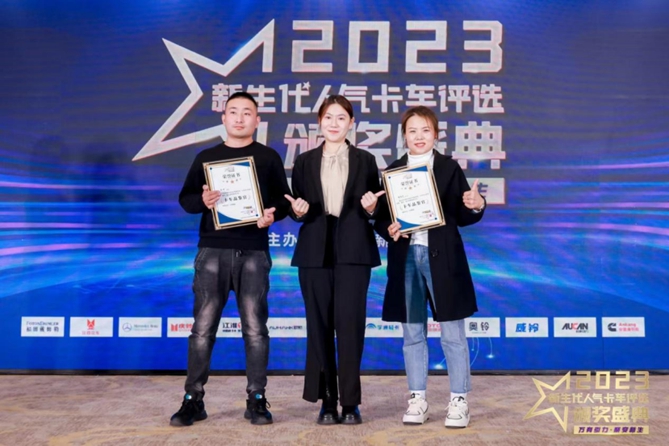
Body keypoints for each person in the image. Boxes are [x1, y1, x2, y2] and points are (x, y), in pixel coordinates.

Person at [170, 91, 291, 427]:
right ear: (223, 118)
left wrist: (272, 215)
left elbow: (284, 201)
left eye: (247, 112)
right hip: (213, 250)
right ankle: (193, 399)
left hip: (254, 250)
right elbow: (186, 200)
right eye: (233, 112)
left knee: (255, 329)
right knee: (202, 329)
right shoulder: (207, 158)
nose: (240, 118)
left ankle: (256, 398)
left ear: (257, 120)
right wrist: (204, 200)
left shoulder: (267, 157)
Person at [375, 105, 485, 428]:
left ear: (435, 134)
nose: (419, 136)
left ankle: (459, 400)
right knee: (412, 334)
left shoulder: (449, 168)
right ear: (404, 136)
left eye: (425, 130)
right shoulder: (393, 171)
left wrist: (476, 205)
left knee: (452, 333)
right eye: (412, 131)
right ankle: (417, 399)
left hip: (443, 258)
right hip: (407, 259)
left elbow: (464, 214)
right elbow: (383, 220)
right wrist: (389, 228)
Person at [285, 95, 383, 425]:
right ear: (319, 121)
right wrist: (297, 212)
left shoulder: (366, 160)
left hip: (354, 251)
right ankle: (327, 400)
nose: (334, 123)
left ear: (351, 123)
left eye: (341, 118)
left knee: (351, 326)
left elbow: (376, 206)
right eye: (328, 117)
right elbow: (297, 206)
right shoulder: (304, 161)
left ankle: (350, 403)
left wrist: (372, 208)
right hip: (314, 251)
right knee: (319, 326)